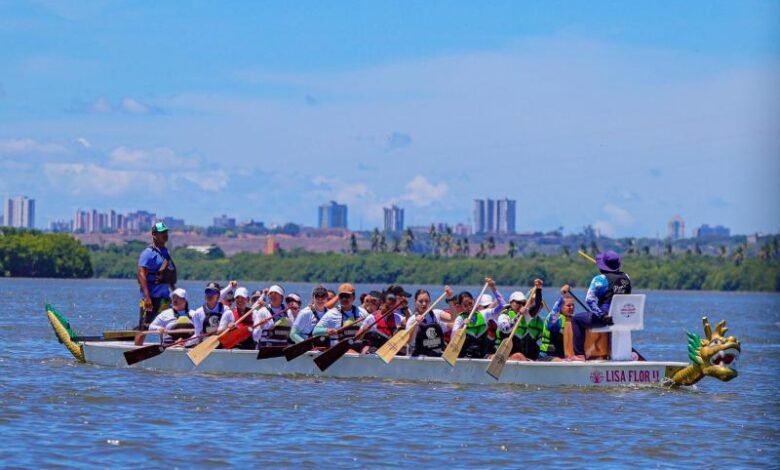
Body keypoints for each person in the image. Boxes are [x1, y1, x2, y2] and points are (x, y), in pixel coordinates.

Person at [571, 250, 632, 360]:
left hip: (606, 319)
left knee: (576, 319)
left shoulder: (599, 279)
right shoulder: (626, 278)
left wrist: (601, 316)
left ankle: (579, 355)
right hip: (623, 318)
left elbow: (589, 300)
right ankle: (614, 353)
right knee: (609, 322)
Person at [135, 222, 176, 344]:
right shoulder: (147, 254)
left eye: (166, 232)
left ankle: (166, 348)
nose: (165, 235)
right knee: (144, 328)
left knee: (168, 325)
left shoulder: (165, 252)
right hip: (150, 299)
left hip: (165, 298)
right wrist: (147, 298)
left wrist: (175, 292)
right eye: (162, 233)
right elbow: (141, 275)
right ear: (154, 234)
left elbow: (168, 274)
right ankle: (136, 350)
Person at [495, 280, 544, 361]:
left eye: (523, 303)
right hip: (505, 355)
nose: (521, 305)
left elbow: (537, 306)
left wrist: (538, 290)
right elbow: (506, 329)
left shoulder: (525, 315)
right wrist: (518, 316)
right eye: (518, 302)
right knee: (518, 355)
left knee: (521, 355)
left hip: (522, 356)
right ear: (510, 303)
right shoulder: (504, 315)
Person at [313, 283, 368, 350]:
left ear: (353, 297)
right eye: (342, 296)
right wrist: (328, 330)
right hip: (337, 351)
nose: (344, 299)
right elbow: (315, 331)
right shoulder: (331, 313)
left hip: (357, 349)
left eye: (347, 296)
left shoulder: (363, 313)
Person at [360, 285, 410, 353]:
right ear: (382, 304)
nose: (390, 310)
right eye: (387, 307)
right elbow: (359, 337)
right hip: (375, 350)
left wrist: (405, 308)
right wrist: (363, 331)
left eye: (392, 307)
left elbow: (409, 324)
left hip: (390, 352)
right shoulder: (371, 318)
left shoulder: (398, 317)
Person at [405, 288, 452, 357]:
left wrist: (450, 298)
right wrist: (416, 325)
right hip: (418, 355)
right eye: (421, 301)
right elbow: (408, 341)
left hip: (436, 354)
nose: (424, 304)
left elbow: (453, 318)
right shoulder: (412, 320)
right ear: (415, 302)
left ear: (430, 302)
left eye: (426, 301)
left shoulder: (437, 313)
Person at [539, 285, 575, 360]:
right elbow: (552, 326)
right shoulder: (554, 317)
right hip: (547, 355)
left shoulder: (573, 320)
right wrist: (562, 295)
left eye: (572, 305)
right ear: (561, 307)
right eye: (568, 306)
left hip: (562, 355)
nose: (571, 307)